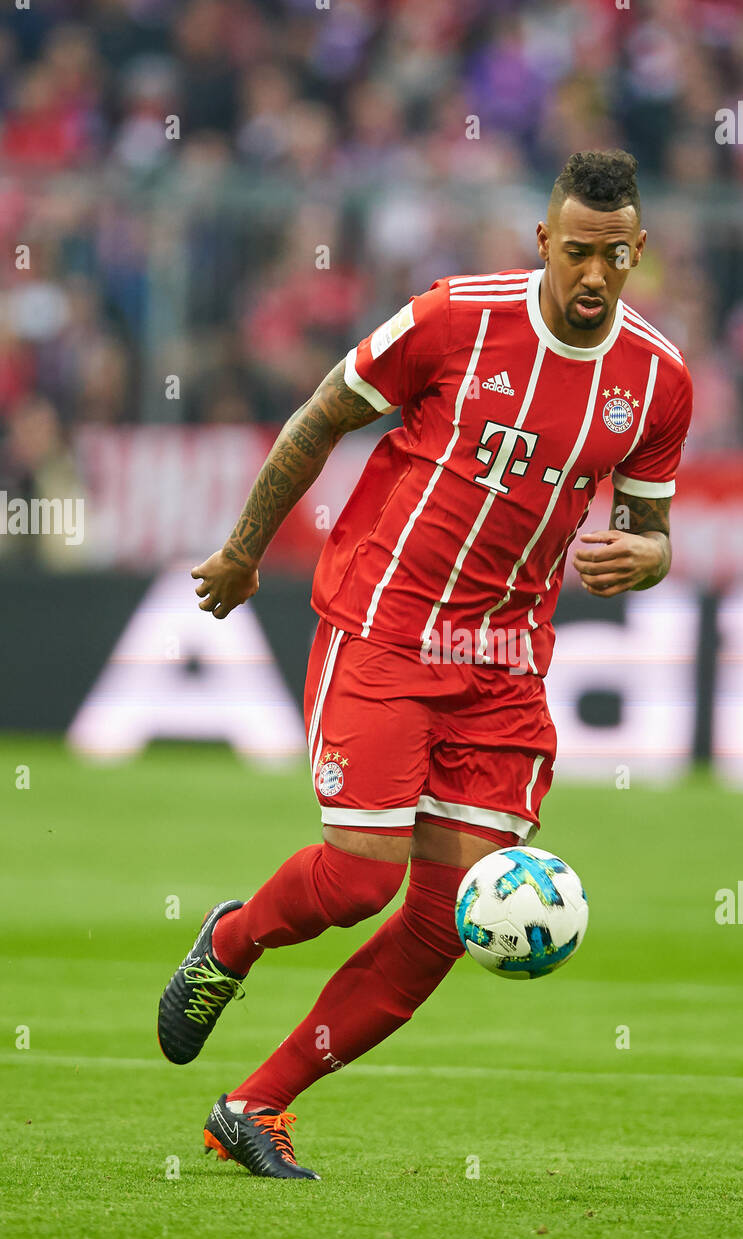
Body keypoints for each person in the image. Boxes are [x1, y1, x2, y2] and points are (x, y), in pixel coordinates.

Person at [157, 149, 692, 1179]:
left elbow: (649, 528)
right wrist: (243, 549)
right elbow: (322, 414)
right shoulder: (454, 319)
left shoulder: (658, 382)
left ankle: (257, 1104)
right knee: (361, 879)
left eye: (613, 257)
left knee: (445, 921)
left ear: (640, 253)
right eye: (576, 251)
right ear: (543, 241)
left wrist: (649, 558)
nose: (593, 275)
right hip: (388, 624)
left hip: (503, 664)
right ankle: (232, 942)